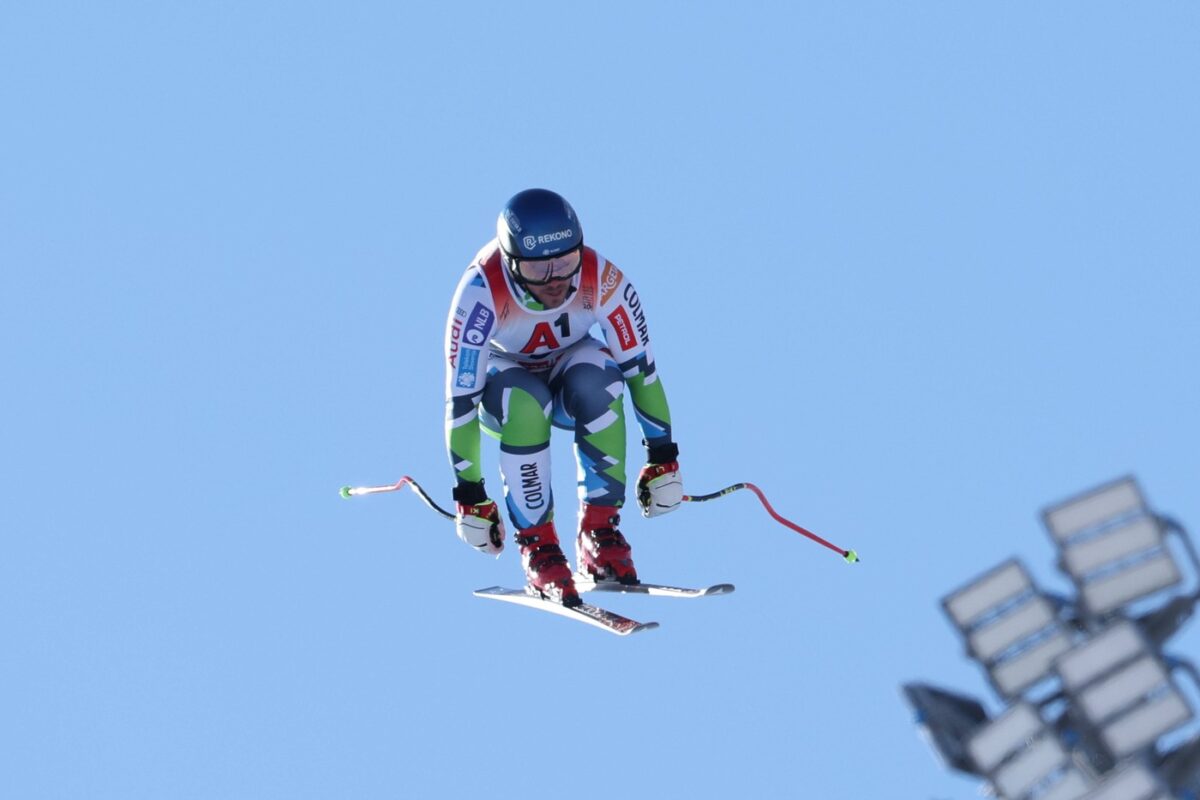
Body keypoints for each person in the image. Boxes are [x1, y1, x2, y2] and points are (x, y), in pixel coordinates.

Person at [444, 188, 683, 607]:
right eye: (538, 269)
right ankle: (539, 547)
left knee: (601, 379)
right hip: (505, 382)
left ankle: (599, 531)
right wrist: (470, 497)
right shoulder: (480, 293)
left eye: (566, 262)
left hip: (569, 367)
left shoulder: (602, 278)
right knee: (526, 402)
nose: (555, 280)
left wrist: (663, 458)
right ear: (511, 262)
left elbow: (642, 374)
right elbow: (461, 405)